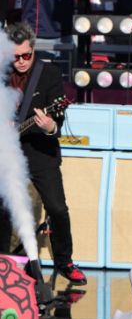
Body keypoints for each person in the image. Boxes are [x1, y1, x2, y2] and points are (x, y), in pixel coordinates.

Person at [0, 22, 85, 286]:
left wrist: (49, 126)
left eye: (27, 55)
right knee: (4, 211)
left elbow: (57, 118)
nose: (22, 61)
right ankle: (5, 263)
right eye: (17, 57)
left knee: (58, 208)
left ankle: (65, 261)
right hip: (8, 154)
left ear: (34, 50)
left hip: (40, 152)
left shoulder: (48, 74)